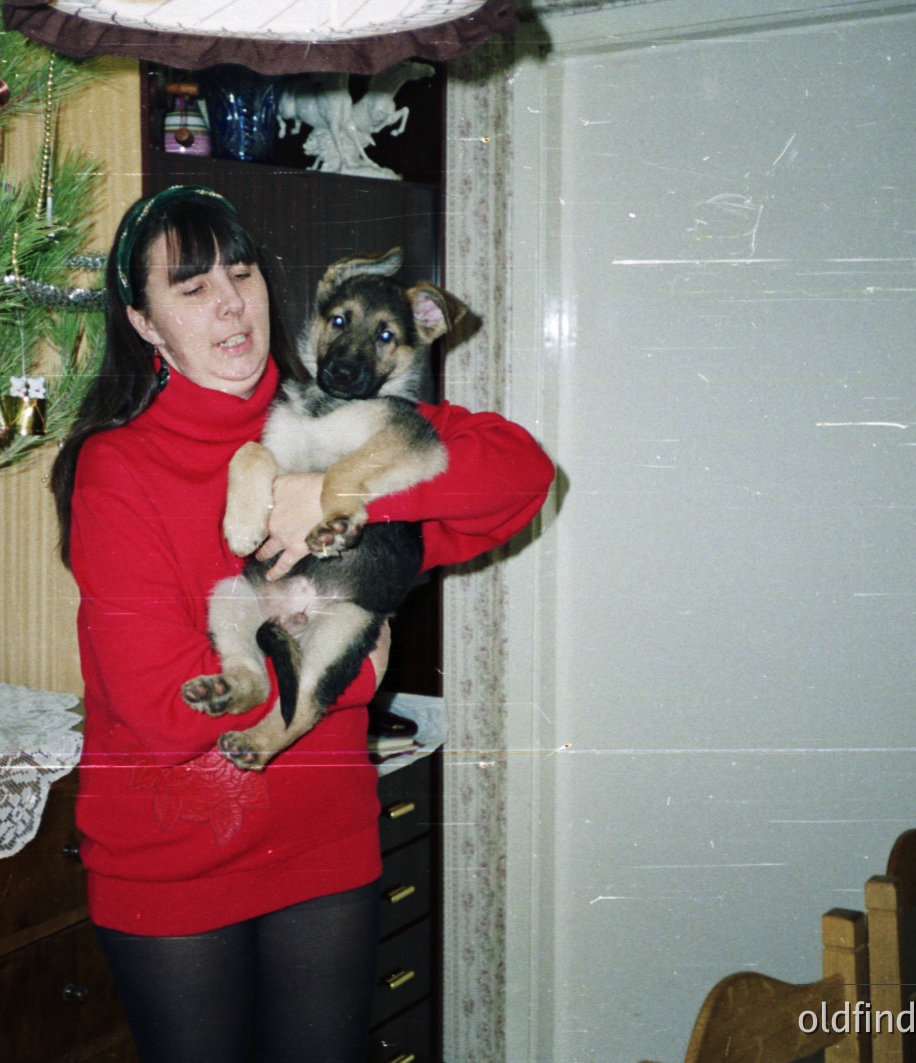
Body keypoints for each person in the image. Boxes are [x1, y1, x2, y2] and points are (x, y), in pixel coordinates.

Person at [50, 185, 553, 1063]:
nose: (232, 304)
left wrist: (328, 488)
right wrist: (354, 675)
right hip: (176, 861)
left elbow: (519, 476)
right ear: (144, 322)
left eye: (241, 274)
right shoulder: (116, 467)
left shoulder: (337, 422)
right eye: (192, 288)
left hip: (324, 846)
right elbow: (159, 707)